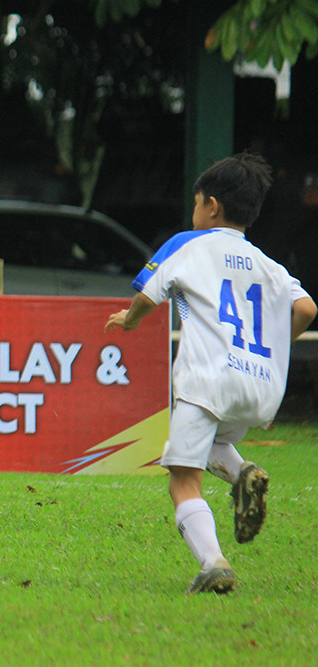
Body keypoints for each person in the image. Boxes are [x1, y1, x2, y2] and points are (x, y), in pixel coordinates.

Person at [105, 152, 317, 594]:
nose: (195, 211)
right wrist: (272, 350)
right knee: (213, 441)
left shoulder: (188, 244)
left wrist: (130, 320)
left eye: (198, 203)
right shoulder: (267, 264)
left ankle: (213, 563)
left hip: (206, 380)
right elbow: (306, 308)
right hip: (257, 385)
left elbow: (150, 293)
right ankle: (242, 474)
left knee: (183, 477)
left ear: (212, 205)